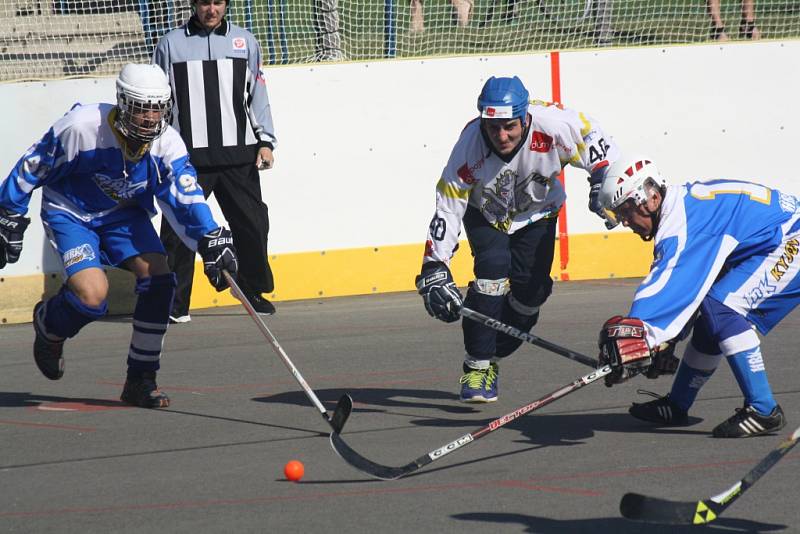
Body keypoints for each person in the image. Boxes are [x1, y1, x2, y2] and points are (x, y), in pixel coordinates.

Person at [0, 63, 238, 408]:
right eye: (143, 108)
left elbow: (186, 194)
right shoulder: (82, 127)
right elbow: (33, 165)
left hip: (124, 214)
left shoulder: (166, 144)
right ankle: (49, 326)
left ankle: (141, 379)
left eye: (158, 108)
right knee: (92, 297)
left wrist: (211, 238)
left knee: (160, 280)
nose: (150, 117)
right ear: (123, 103)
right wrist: (8, 212)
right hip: (71, 212)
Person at [415, 75, 620, 403]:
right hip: (486, 215)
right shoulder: (469, 144)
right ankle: (478, 365)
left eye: (509, 126)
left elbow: (594, 137)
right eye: (493, 127)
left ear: (525, 117)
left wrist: (602, 181)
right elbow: (449, 203)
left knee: (531, 294)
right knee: (492, 271)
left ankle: (491, 348)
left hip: (539, 214)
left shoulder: (553, 125)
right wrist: (434, 265)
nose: (501, 135)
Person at [595, 154, 792, 437]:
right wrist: (663, 343)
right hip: (774, 239)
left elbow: (668, 286)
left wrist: (641, 337)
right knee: (712, 319)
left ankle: (764, 410)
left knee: (722, 310)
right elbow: (688, 293)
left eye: (626, 210)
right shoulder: (682, 209)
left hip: (789, 240)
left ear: (650, 197)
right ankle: (678, 404)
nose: (625, 222)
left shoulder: (683, 226)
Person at [152, 0, 278, 323]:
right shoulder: (170, 44)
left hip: (238, 155)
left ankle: (252, 291)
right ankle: (174, 303)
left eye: (218, 3)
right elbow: (160, 103)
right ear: (194, 4)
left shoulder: (245, 42)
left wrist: (265, 142)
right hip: (188, 158)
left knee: (252, 223)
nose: (212, 9)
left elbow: (257, 95)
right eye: (205, 3)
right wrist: (159, 148)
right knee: (179, 230)